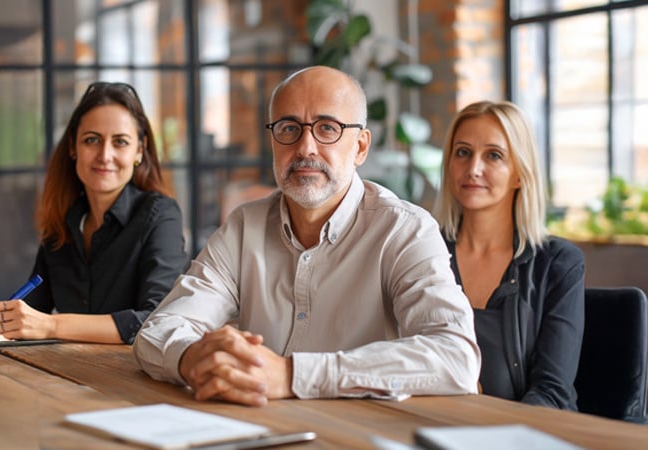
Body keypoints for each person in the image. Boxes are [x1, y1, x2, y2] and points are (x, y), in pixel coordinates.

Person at [133, 65, 481, 407]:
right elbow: (156, 331)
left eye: (327, 128)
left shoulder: (405, 230)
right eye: (289, 128)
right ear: (273, 140)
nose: (305, 148)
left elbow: (455, 356)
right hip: (260, 427)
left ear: (360, 147)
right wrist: (193, 358)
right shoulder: (245, 227)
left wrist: (291, 375)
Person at [0, 82, 188, 344]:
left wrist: (51, 325)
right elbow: (36, 307)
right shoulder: (65, 217)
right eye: (92, 140)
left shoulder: (160, 215)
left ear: (139, 150)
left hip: (130, 376)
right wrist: (10, 316)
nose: (105, 155)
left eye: (120, 142)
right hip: (66, 373)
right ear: (72, 147)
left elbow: (156, 321)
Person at [434, 100, 585, 409]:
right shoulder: (423, 252)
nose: (473, 169)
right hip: (434, 424)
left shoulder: (558, 264)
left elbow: (551, 392)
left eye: (494, 155)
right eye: (462, 152)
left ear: (519, 173)